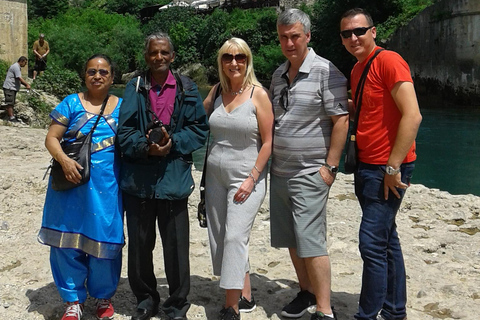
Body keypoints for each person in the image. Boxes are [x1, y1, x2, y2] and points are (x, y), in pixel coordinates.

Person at [117, 32, 209, 320]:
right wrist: (146, 147)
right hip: (139, 181)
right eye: (153, 53)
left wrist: (173, 144)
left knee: (177, 246)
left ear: (172, 55)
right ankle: (145, 299)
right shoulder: (134, 87)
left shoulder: (187, 87)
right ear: (146, 56)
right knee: (140, 246)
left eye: (164, 53)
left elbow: (199, 129)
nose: (159, 57)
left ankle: (177, 304)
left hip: (174, 179)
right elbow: (125, 132)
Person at [340, 8, 422, 320]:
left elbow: (412, 115)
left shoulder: (389, 61)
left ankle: (367, 314)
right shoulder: (358, 69)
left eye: (359, 31)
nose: (353, 38)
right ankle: (394, 310)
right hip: (367, 165)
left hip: (387, 168)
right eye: (346, 34)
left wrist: (393, 167)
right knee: (387, 239)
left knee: (371, 243)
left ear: (373, 31)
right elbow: (376, 108)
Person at [269, 8, 349, 320]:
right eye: (283, 37)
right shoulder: (278, 74)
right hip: (280, 172)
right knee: (291, 238)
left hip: (311, 171)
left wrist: (330, 167)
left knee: (312, 241)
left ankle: (325, 310)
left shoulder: (327, 72)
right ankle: (306, 292)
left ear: (307, 37)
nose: (289, 43)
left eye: (295, 36)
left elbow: (341, 121)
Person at [38, 54, 123, 320]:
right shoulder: (71, 103)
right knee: (66, 240)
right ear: (84, 75)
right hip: (70, 181)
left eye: (103, 72)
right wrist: (63, 161)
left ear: (112, 77)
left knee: (106, 238)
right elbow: (52, 138)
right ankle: (73, 299)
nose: (97, 76)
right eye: (92, 71)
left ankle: (103, 296)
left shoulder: (123, 106)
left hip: (107, 185)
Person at [202, 37, 274, 320]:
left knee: (234, 236)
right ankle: (244, 293)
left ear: (248, 60)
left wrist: (252, 178)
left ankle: (230, 306)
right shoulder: (218, 91)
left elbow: (268, 142)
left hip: (246, 175)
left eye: (240, 57)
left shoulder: (259, 95)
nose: (234, 62)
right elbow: (198, 117)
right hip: (215, 173)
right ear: (220, 61)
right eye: (228, 57)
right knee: (220, 236)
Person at [2, 56, 31, 122]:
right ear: (22, 61)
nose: (25, 64)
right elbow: (19, 77)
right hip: (9, 87)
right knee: (9, 103)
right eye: (25, 63)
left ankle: (11, 116)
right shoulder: (16, 67)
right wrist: (26, 84)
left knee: (12, 102)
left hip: (12, 88)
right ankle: (11, 117)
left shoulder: (17, 67)